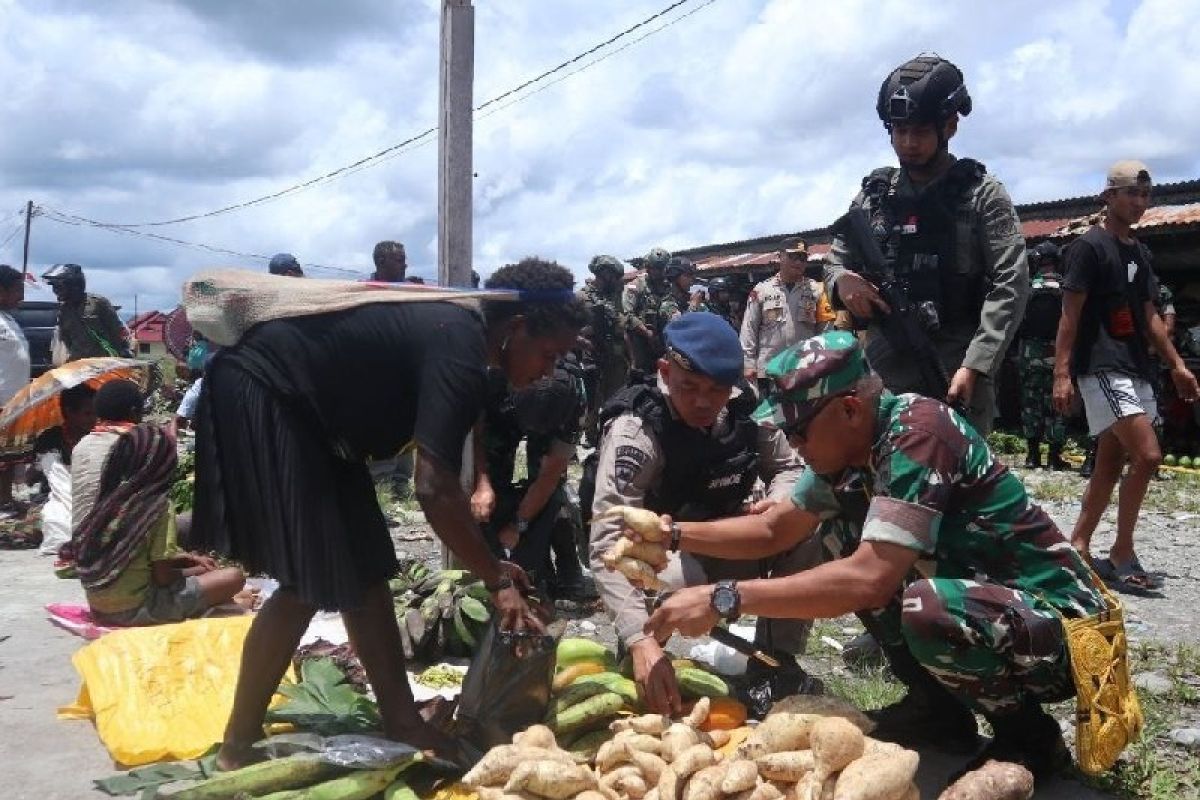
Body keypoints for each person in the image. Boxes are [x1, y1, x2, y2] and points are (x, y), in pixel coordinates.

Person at [640, 332, 1109, 782]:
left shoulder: (918, 433)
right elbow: (774, 528)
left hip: (1065, 628)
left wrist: (723, 598)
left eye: (798, 431)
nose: (795, 446)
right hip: (995, 608)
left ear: (848, 410)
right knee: (846, 541)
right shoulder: (850, 453)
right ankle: (937, 710)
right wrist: (673, 533)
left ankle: (1028, 737)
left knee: (917, 599)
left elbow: (869, 580)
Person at [191, 257, 585, 767]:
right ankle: (236, 746)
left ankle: (401, 720)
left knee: (369, 565)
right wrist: (494, 580)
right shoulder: (459, 346)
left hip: (318, 425)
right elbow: (434, 487)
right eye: (548, 354)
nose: (548, 371)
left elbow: (442, 475)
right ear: (515, 329)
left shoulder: (464, 342)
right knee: (310, 578)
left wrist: (491, 566)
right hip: (266, 398)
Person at [590, 312, 816, 715]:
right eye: (688, 386)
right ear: (664, 370)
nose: (702, 402)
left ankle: (774, 662)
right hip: (662, 555)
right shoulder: (637, 431)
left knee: (803, 531)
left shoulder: (746, 413)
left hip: (728, 541)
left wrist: (778, 503)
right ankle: (641, 657)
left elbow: (789, 467)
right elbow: (609, 541)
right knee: (678, 581)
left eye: (716, 390)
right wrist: (638, 640)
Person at [823, 54, 1028, 436]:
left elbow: (1012, 285)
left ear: (949, 126)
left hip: (957, 361)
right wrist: (842, 283)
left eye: (918, 132)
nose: (908, 143)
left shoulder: (982, 195)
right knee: (878, 472)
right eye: (898, 131)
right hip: (886, 361)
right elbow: (835, 262)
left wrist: (977, 364)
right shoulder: (873, 196)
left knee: (960, 479)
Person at [1053, 161, 1199, 594]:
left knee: (1111, 461)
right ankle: (1121, 550)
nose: (1139, 202)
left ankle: (1076, 545)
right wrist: (1062, 372)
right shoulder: (1089, 248)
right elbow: (1069, 314)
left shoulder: (1139, 252)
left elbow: (1150, 316)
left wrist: (1176, 364)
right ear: (1109, 196)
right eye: (1130, 193)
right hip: (1101, 365)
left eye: (1145, 195)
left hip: (1135, 366)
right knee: (1149, 455)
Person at [66, 380, 245, 626]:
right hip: (136, 608)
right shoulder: (156, 507)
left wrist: (183, 559)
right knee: (233, 577)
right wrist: (199, 570)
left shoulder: (109, 493)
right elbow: (163, 578)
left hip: (97, 593)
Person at [472, 358, 592, 600]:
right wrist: (483, 482)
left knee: (554, 494)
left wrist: (518, 526)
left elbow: (550, 474)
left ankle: (566, 564)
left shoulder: (574, 399)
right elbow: (476, 436)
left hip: (550, 425)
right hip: (502, 418)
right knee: (492, 490)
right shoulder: (494, 377)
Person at [741, 244, 833, 396]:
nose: (798, 262)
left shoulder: (817, 289)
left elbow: (826, 331)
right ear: (780, 257)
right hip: (770, 370)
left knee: (805, 415)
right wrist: (748, 363)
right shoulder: (761, 290)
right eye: (793, 256)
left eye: (803, 258)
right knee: (771, 417)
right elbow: (749, 328)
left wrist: (823, 363)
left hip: (804, 368)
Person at [1018, 241, 1070, 470]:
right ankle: (1053, 457)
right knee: (1058, 405)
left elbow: (1017, 323)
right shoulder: (1065, 288)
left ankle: (1032, 455)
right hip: (1057, 354)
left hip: (1029, 354)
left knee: (1031, 403)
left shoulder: (1027, 289)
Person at [34, 383, 97, 556]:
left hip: (89, 493)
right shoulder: (50, 438)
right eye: (87, 414)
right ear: (70, 412)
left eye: (96, 413)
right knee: (54, 519)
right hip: (54, 494)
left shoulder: (96, 437)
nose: (94, 419)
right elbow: (43, 477)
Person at [580, 255, 630, 444]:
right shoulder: (582, 297)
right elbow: (571, 328)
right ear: (604, 274)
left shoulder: (614, 297)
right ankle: (591, 438)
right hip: (591, 358)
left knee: (616, 400)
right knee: (592, 403)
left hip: (615, 358)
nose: (617, 280)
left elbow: (622, 324)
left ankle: (611, 435)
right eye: (614, 276)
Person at [42, 263, 133, 363]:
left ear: (74, 285)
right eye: (54, 287)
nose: (56, 290)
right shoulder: (64, 311)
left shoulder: (98, 303)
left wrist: (124, 353)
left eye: (59, 286)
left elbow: (118, 331)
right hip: (79, 365)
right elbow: (66, 340)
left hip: (104, 364)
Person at [0, 265, 32, 512]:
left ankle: (5, 498)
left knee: (10, 454)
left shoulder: (9, 319)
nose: (22, 296)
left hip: (14, 401)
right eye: (18, 290)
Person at [622, 247, 671, 378]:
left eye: (662, 268)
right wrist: (647, 333)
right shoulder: (636, 286)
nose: (660, 272)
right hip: (641, 342)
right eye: (656, 268)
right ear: (648, 268)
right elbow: (627, 314)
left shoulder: (668, 286)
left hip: (664, 341)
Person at [658, 257, 703, 325]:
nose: (691, 280)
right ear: (674, 277)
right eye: (687, 275)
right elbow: (681, 327)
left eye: (692, 276)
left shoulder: (689, 299)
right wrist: (694, 305)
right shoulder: (667, 305)